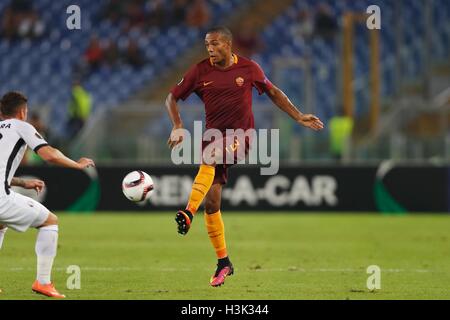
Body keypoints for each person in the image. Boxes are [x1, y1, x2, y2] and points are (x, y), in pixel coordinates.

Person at [165, 26, 324, 287]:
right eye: (207, 45)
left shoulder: (249, 69)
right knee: (213, 204)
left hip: (242, 138)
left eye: (215, 44)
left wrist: (297, 115)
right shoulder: (200, 71)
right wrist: (177, 124)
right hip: (213, 140)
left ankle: (187, 211)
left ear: (228, 44)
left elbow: (273, 91)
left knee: (211, 155)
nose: (210, 49)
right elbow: (171, 97)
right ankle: (223, 262)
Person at [0, 91, 95, 298]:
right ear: (23, 112)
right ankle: (43, 282)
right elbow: (49, 155)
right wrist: (77, 165)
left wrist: (22, 182)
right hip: (0, 198)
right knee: (50, 221)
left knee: (0, 224)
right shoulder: (22, 126)